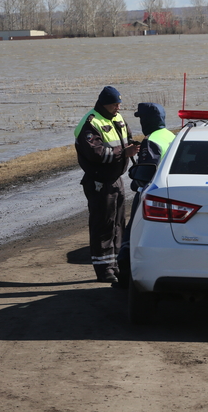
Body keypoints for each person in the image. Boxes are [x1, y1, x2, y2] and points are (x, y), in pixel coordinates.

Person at [74, 86, 139, 283]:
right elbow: (96, 153)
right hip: (99, 182)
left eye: (119, 103)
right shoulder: (91, 123)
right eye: (114, 104)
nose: (118, 107)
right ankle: (104, 270)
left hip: (116, 180)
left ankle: (117, 264)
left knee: (119, 224)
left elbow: (125, 139)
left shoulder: (117, 118)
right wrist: (123, 153)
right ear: (104, 104)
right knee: (103, 225)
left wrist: (135, 147)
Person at [117, 102, 176, 286]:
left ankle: (125, 278)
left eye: (141, 118)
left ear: (147, 120)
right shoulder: (171, 135)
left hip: (148, 194)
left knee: (131, 234)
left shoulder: (151, 141)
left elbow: (143, 175)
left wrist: (134, 179)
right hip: (169, 192)